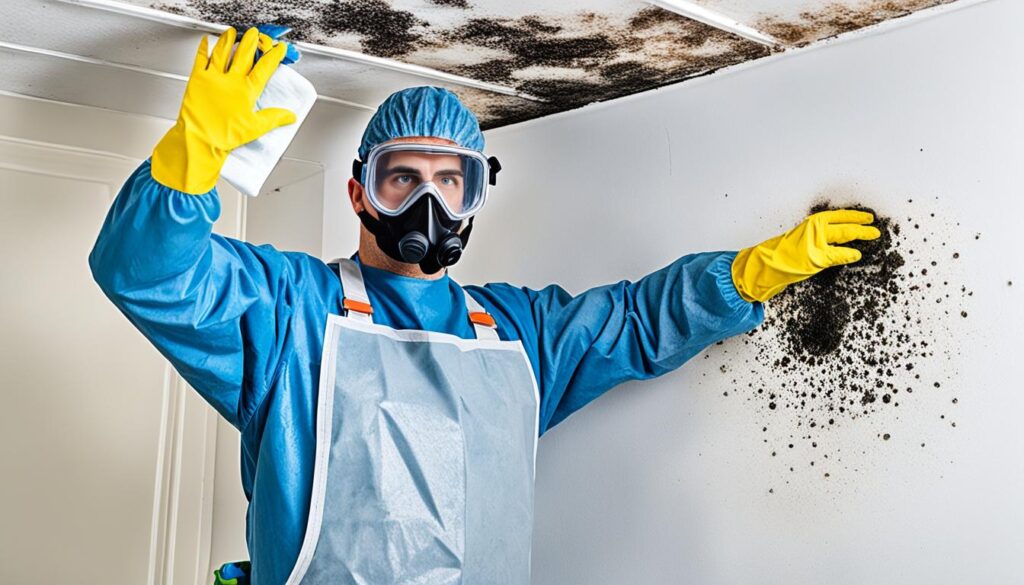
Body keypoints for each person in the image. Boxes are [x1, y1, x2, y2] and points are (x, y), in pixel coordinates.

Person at [89, 27, 880, 585]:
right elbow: (145, 272)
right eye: (404, 177)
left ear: (474, 201)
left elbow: (638, 322)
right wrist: (191, 154)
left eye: (450, 180)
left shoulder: (517, 335)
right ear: (360, 190)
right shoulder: (292, 313)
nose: (427, 200)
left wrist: (752, 272)